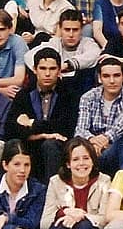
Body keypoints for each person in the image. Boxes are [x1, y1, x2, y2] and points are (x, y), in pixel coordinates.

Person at [6, 47, 80, 182]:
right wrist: (44, 135)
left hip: (57, 148)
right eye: (43, 68)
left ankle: (52, 190)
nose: (47, 74)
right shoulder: (24, 94)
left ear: (59, 71)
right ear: (34, 70)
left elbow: (66, 127)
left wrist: (31, 123)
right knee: (14, 144)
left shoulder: (69, 94)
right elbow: (11, 129)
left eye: (52, 69)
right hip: (29, 146)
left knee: (50, 145)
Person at [74, 57, 123, 175]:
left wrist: (107, 137)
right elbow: (80, 129)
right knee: (79, 142)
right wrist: (93, 141)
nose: (112, 81)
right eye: (106, 76)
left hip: (118, 147)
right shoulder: (88, 97)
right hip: (94, 151)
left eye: (116, 75)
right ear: (99, 78)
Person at [24, 9, 101, 93]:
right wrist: (50, 69)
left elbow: (95, 54)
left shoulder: (87, 43)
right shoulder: (54, 43)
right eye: (67, 30)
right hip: (55, 90)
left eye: (75, 30)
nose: (71, 35)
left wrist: (68, 65)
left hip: (80, 89)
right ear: (60, 29)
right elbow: (28, 56)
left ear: (81, 30)